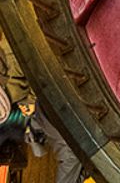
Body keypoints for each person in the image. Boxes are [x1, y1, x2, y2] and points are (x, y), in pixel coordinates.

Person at [0, 35, 83, 183]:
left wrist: (30, 102)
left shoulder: (9, 58)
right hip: (28, 108)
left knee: (70, 153)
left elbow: (33, 55)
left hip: (42, 98)